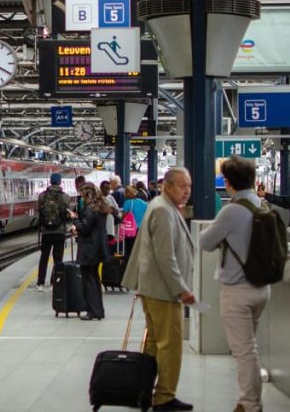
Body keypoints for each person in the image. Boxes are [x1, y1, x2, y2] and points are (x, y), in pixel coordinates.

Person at [121, 168, 196, 411]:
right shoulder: (163, 210)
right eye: (183, 186)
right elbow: (166, 258)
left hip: (154, 288)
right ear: (169, 186)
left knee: (154, 342)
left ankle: (144, 390)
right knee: (170, 345)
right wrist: (181, 289)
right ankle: (164, 396)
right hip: (163, 291)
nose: (187, 192)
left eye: (189, 187)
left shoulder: (161, 205)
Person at [199, 156, 270, 412]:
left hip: (237, 290)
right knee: (250, 345)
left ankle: (251, 405)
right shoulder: (261, 204)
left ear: (228, 183)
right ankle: (247, 400)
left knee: (244, 351)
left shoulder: (231, 211)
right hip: (262, 287)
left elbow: (205, 242)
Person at [74, 182, 109, 320]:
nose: (81, 197)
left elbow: (85, 228)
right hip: (98, 248)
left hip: (89, 249)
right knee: (95, 280)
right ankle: (99, 310)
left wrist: (75, 220)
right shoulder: (101, 207)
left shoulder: (90, 209)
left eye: (82, 194)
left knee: (89, 281)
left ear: (86, 194)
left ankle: (92, 311)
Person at [36, 172, 75, 291]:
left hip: (46, 232)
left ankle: (40, 284)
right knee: (58, 259)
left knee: (44, 257)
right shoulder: (65, 197)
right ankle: (54, 283)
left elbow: (40, 211)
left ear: (50, 181)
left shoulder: (42, 196)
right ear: (60, 182)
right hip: (59, 232)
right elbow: (67, 213)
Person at [120, 185, 148, 256]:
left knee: (129, 250)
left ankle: (128, 266)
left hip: (131, 230)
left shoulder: (127, 203)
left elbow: (123, 217)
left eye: (127, 192)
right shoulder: (144, 203)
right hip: (141, 229)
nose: (126, 194)